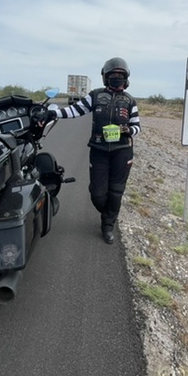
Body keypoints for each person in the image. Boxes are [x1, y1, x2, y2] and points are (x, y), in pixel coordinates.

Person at [45, 57, 141, 244]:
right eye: (112, 75)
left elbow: (137, 127)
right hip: (99, 150)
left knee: (116, 192)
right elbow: (74, 111)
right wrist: (53, 113)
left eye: (120, 76)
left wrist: (128, 130)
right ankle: (108, 213)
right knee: (97, 194)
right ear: (105, 77)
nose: (116, 78)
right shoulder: (95, 95)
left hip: (122, 151)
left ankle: (107, 225)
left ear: (126, 78)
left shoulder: (130, 101)